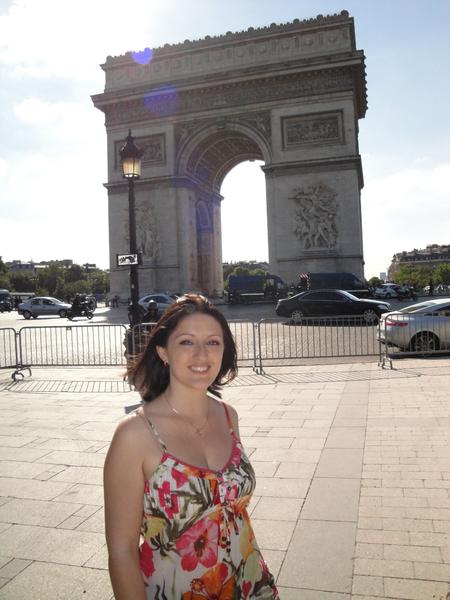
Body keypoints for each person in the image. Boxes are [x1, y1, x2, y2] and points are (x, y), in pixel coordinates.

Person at [104, 293, 279, 600]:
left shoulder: (228, 416)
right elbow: (121, 551)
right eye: (186, 342)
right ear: (163, 351)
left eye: (213, 342)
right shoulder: (135, 434)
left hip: (251, 585)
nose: (202, 354)